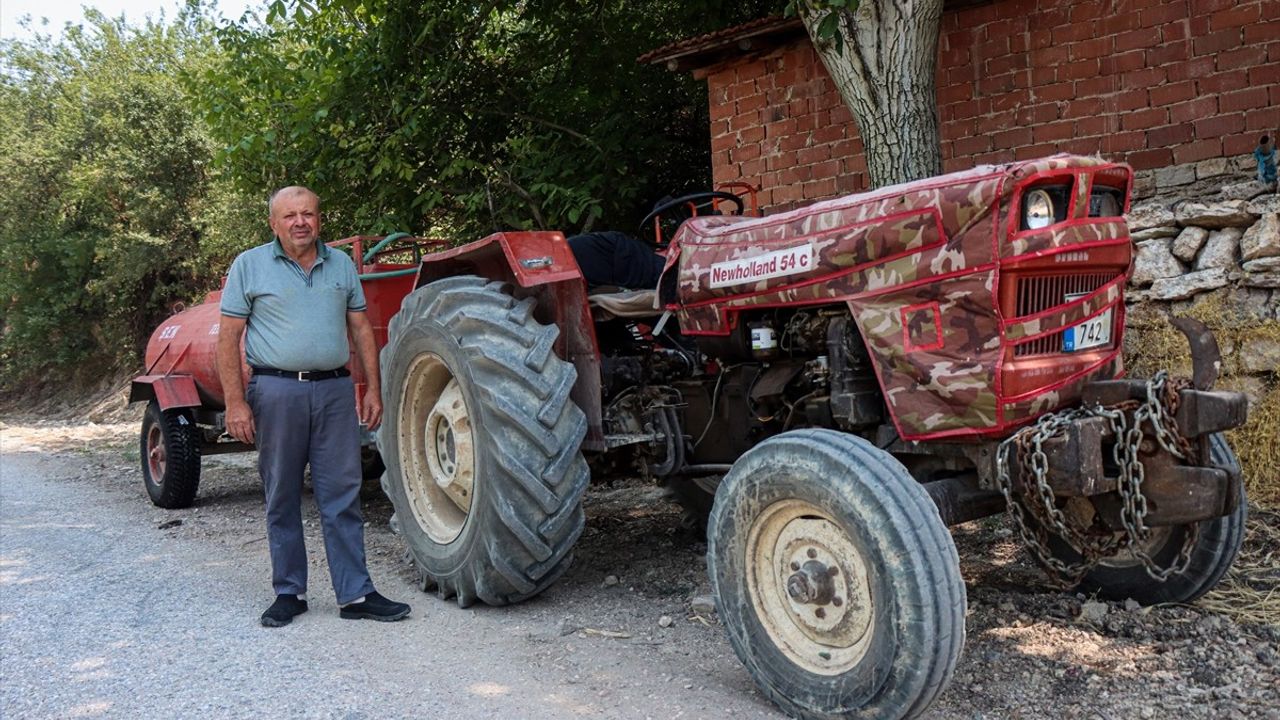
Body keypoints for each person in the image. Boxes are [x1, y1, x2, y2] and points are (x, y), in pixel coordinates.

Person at [216, 186, 411, 627]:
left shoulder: (341, 265)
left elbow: (361, 331)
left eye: (308, 214)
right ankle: (289, 592)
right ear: (274, 223)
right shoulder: (250, 265)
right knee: (281, 493)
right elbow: (228, 340)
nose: (300, 222)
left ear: (319, 219)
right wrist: (235, 403)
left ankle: (356, 595)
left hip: (334, 392)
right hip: (275, 390)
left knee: (342, 494)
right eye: (290, 216)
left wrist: (372, 390)